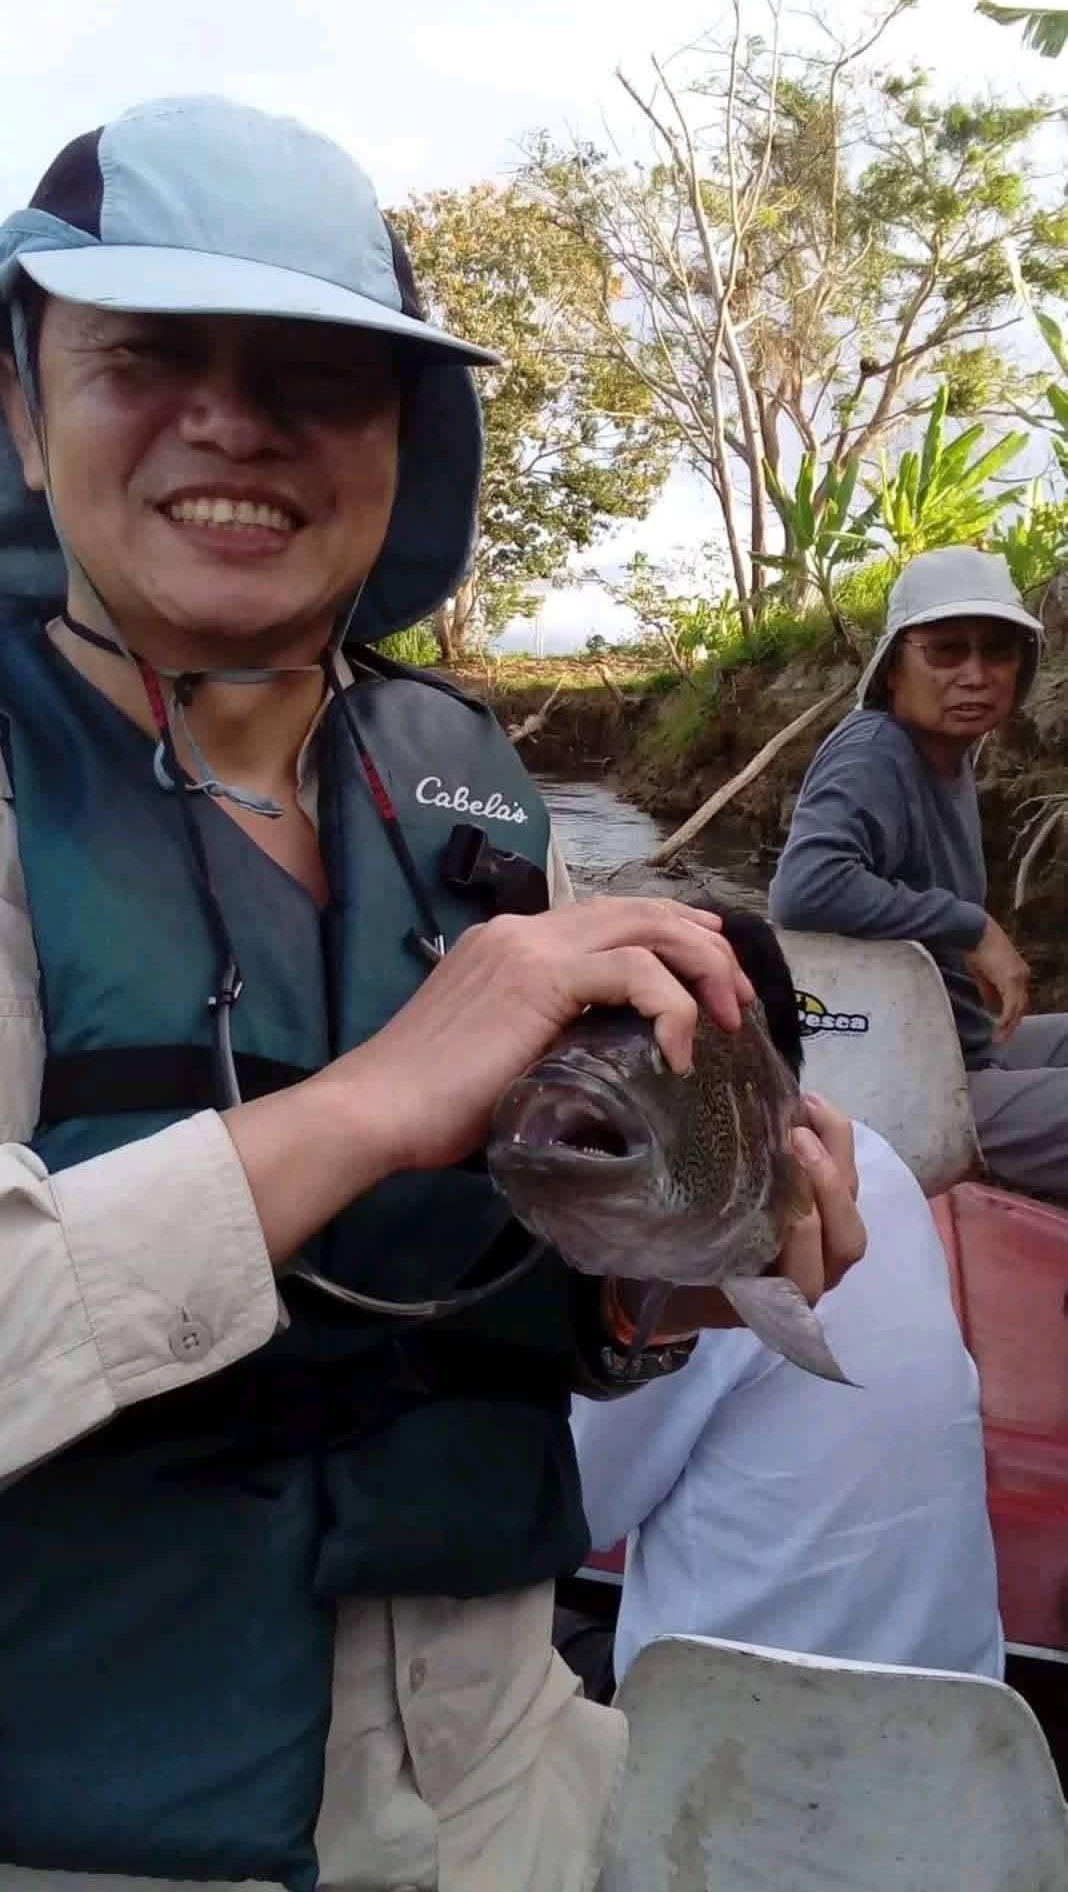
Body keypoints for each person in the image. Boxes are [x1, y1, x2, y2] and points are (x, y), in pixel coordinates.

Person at [0, 98, 867, 1892]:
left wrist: (680, 1262)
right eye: (147, 354)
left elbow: (527, 1299)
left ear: (403, 435)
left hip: (505, 1798)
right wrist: (368, 1102)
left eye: (315, 371)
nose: (231, 419)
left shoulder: (465, 790)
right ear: (20, 401)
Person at [563, 909, 1003, 1699]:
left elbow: (575, 1513)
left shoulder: (702, 1236)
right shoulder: (877, 1163)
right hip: (966, 1727)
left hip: (736, 1747)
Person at [769, 545, 1068, 1202]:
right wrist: (971, 927)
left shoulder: (949, 754)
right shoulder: (875, 749)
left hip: (954, 1046)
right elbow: (805, 887)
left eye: (997, 652)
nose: (975, 674)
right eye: (946, 651)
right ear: (894, 666)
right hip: (911, 1082)